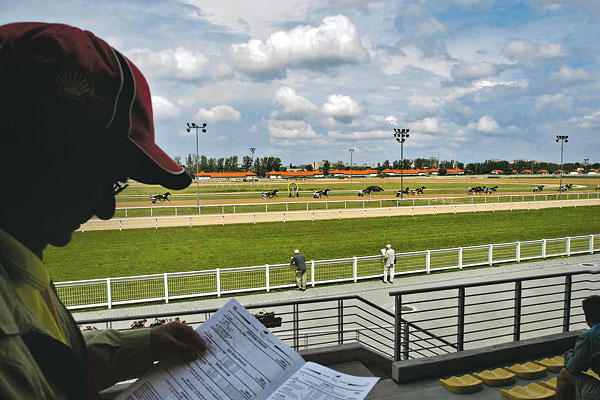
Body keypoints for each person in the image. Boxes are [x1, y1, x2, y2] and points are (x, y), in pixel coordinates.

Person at [0, 22, 206, 399]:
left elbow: (47, 364)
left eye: (114, 184)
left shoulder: (20, 259)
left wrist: (145, 344)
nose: (107, 208)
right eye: (100, 178)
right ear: (27, 142)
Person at [556, 295, 600, 400]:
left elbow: (573, 367)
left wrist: (569, 356)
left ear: (587, 317)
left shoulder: (589, 337)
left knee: (564, 375)